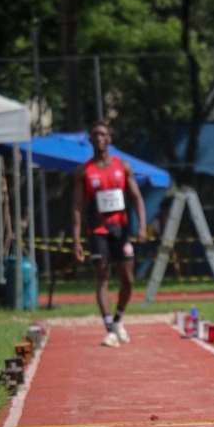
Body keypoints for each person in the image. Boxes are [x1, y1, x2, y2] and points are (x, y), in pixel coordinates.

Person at [72, 121, 148, 348]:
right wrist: (77, 239)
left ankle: (118, 321)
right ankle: (108, 326)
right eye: (95, 134)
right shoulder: (84, 171)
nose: (99, 138)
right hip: (97, 231)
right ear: (90, 140)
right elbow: (77, 206)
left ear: (110, 139)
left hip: (120, 230)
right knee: (102, 276)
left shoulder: (122, 166)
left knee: (128, 280)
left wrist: (142, 226)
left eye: (103, 134)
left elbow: (136, 198)